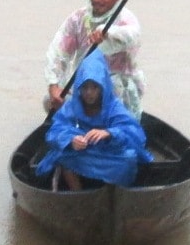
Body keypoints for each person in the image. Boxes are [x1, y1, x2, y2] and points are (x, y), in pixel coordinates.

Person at [36, 50, 152, 190]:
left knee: (128, 160)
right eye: (85, 88)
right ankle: (78, 195)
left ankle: (113, 192)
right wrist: (72, 140)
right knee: (62, 155)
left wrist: (109, 133)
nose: (89, 93)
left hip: (108, 153)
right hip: (83, 152)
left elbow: (136, 134)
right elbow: (54, 132)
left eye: (94, 87)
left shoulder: (113, 106)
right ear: (79, 87)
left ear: (102, 87)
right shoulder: (71, 106)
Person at [44, 0, 145, 117]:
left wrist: (107, 33)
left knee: (116, 88)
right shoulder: (78, 19)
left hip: (118, 92)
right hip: (86, 87)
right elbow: (58, 54)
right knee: (49, 101)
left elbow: (131, 36)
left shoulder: (126, 20)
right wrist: (54, 86)